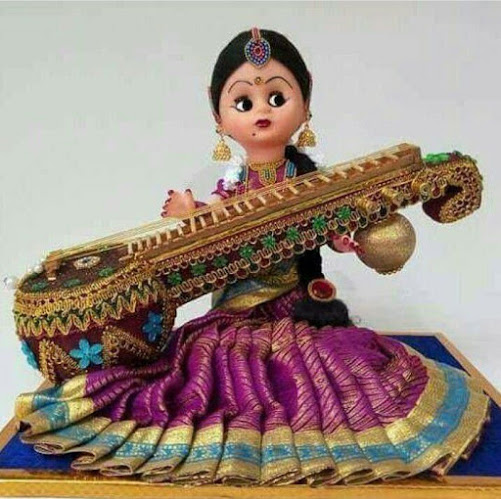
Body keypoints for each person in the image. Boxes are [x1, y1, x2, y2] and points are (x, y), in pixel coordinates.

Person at [13, 28, 491, 486]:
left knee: (326, 365)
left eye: (276, 97)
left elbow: (333, 230)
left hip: (296, 308)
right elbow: (215, 224)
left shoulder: (311, 184)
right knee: (207, 362)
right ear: (219, 115)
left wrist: (349, 240)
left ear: (306, 101)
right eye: (244, 102)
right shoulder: (233, 187)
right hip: (233, 314)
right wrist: (191, 213)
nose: (261, 110)